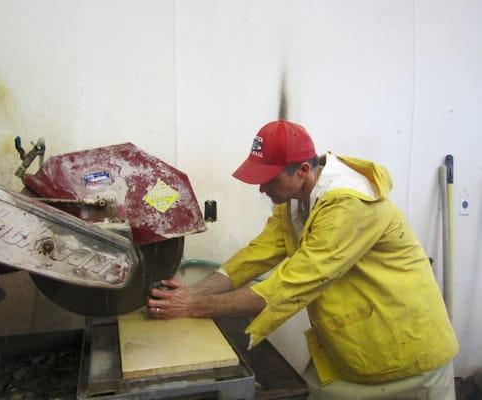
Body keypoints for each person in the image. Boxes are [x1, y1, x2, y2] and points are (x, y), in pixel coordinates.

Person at [147, 120, 459, 399]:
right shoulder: (294, 202)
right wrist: (193, 292)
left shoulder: (349, 206)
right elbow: (255, 255)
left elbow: (290, 285)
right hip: (352, 354)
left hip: (408, 356)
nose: (261, 188)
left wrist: (192, 307)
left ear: (303, 171)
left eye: (270, 179)